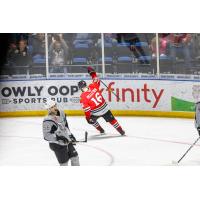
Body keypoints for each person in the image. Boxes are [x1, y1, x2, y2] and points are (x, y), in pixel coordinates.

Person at [78, 66, 125, 135]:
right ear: (86, 85)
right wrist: (92, 73)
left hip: (95, 113)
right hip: (105, 108)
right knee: (112, 120)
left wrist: (88, 118)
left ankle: (101, 130)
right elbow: (96, 79)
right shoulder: (93, 86)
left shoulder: (82, 97)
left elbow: (87, 110)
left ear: (80, 88)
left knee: (91, 120)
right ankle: (121, 131)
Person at [42, 99, 80, 166]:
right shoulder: (47, 120)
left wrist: (70, 135)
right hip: (57, 145)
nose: (53, 108)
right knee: (64, 164)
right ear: (47, 109)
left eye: (54, 106)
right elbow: (46, 136)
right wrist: (58, 138)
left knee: (75, 158)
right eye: (50, 108)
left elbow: (65, 126)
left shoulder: (62, 113)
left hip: (66, 141)